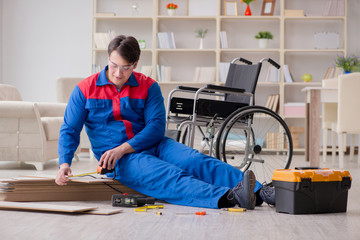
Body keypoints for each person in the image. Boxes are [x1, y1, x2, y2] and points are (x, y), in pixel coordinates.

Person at [55, 35, 275, 209]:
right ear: (108, 59)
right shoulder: (84, 90)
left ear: (135, 64)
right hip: (118, 160)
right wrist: (65, 163)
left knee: (196, 160)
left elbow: (156, 127)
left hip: (155, 144)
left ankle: (260, 192)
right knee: (169, 175)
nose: (117, 73)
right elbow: (70, 130)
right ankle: (230, 197)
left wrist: (123, 148)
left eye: (125, 68)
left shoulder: (148, 86)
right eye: (113, 65)